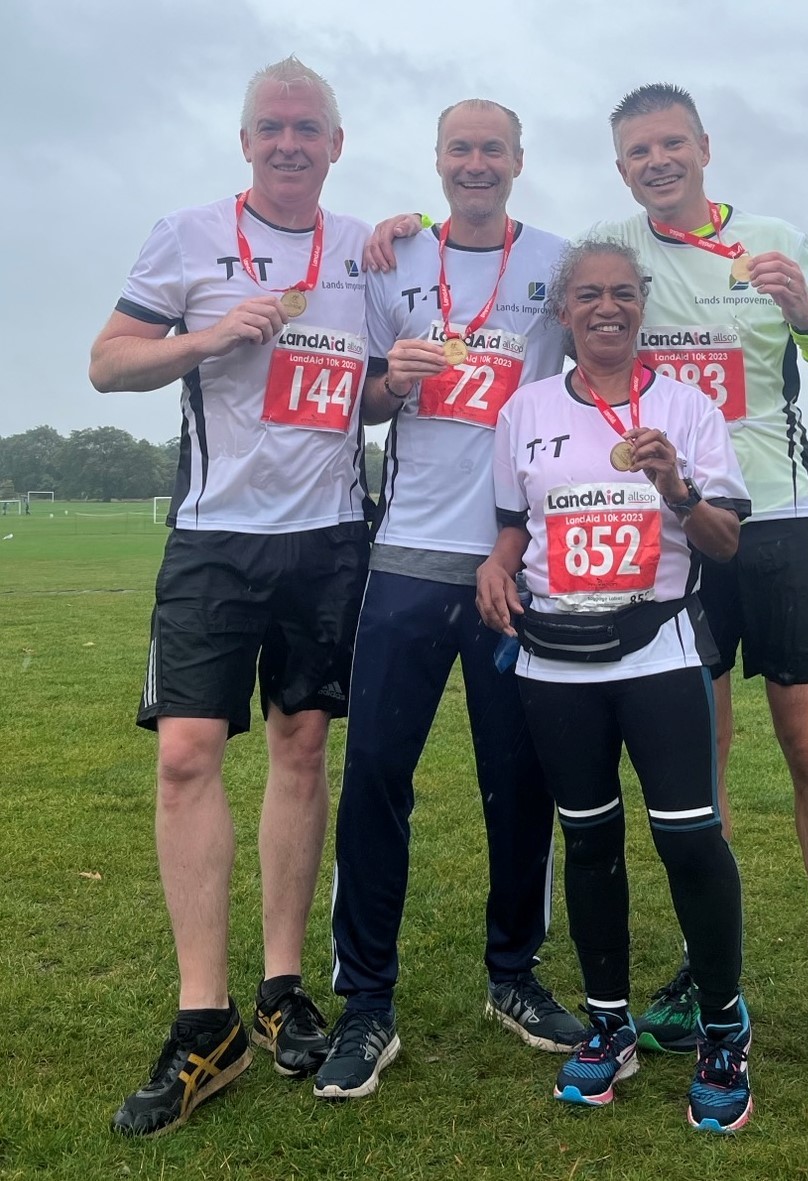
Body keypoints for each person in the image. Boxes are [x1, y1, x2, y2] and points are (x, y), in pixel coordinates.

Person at [89, 56, 372, 1136]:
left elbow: (374, 384)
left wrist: (409, 378)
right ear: (245, 142)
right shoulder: (185, 235)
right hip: (213, 538)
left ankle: (282, 986)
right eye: (272, 127)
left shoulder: (364, 249)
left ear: (335, 145)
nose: (291, 142)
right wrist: (207, 336)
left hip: (328, 539)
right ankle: (201, 1015)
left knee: (302, 750)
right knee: (185, 753)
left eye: (309, 127)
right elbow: (108, 362)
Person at [591, 84, 808, 1074]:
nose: (657, 160)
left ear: (704, 148)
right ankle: (701, 963)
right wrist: (410, 227)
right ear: (621, 163)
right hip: (684, 532)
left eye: (671, 142)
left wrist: (805, 309)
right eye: (638, 149)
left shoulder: (772, 240)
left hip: (785, 524)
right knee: (697, 759)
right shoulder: (611, 255)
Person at [313, 99, 582, 1103]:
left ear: (518, 160)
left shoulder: (556, 261)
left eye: (492, 149)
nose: (476, 163)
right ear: (436, 161)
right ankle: (365, 1001)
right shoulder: (395, 260)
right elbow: (363, 396)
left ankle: (513, 977)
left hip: (517, 561)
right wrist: (392, 376)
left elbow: (597, 359)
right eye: (459, 148)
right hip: (409, 556)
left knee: (521, 785)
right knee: (377, 776)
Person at [477, 239, 753, 1130]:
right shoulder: (523, 411)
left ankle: (721, 1028)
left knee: (689, 842)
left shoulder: (688, 408)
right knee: (589, 843)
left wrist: (675, 483)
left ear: (643, 304)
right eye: (589, 294)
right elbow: (518, 526)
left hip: (660, 652)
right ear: (565, 310)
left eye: (623, 293)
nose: (607, 307)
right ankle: (607, 1024)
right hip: (554, 661)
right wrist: (496, 559)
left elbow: (724, 543)